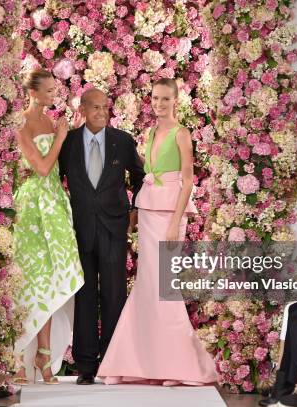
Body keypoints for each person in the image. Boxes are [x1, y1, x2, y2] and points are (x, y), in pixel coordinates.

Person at [97, 78, 217, 386]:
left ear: (176, 100)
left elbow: (188, 181)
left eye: (165, 98)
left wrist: (177, 221)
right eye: (155, 98)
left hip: (170, 217)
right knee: (148, 288)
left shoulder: (182, 134)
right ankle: (136, 365)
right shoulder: (150, 133)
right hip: (149, 213)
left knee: (167, 288)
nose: (159, 103)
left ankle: (179, 368)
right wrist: (137, 212)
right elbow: (148, 177)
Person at [58, 87, 145, 385]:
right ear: (82, 109)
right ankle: (85, 366)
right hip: (79, 229)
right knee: (84, 296)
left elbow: (139, 177)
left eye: (105, 107)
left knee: (113, 294)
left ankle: (112, 361)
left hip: (113, 227)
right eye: (94, 107)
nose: (101, 112)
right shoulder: (67, 142)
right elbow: (54, 181)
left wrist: (135, 210)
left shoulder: (122, 141)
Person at [12, 68, 84, 385]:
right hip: (32, 208)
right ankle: (15, 357)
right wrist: (60, 137)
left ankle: (44, 358)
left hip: (55, 203)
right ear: (34, 92)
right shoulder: (22, 123)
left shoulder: (53, 122)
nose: (55, 95)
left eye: (56, 90)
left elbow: (57, 168)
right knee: (30, 279)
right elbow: (41, 168)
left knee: (53, 279)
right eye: (50, 91)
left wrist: (66, 135)